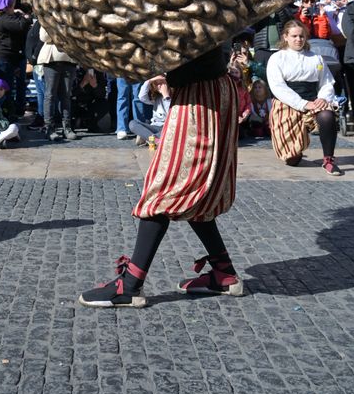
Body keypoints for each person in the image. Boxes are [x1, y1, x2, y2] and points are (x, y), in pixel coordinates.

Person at [79, 47, 243, 308]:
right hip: (211, 90)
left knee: (166, 186)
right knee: (192, 188)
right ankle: (223, 273)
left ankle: (130, 285)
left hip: (199, 96)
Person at [266, 19, 341, 175]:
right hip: (287, 103)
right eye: (294, 36)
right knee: (292, 160)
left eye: (301, 36)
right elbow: (278, 87)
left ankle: (328, 160)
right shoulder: (277, 58)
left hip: (314, 100)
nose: (298, 40)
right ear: (285, 37)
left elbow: (326, 82)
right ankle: (296, 149)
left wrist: (322, 98)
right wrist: (302, 104)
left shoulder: (316, 58)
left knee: (327, 115)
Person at [38, 25, 78, 141]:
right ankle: (49, 127)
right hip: (51, 61)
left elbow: (75, 36)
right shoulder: (47, 18)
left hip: (69, 60)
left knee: (66, 95)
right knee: (50, 95)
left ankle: (67, 127)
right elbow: (44, 37)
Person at [129, 75, 172, 145]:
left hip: (167, 127)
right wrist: (149, 81)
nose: (159, 86)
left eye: (162, 83)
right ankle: (154, 139)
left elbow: (171, 114)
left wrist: (166, 96)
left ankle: (147, 137)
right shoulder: (156, 97)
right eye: (157, 84)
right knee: (132, 123)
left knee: (169, 132)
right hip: (155, 126)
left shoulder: (172, 97)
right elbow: (141, 97)